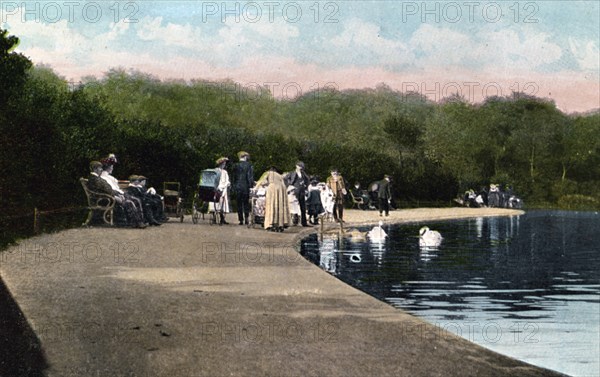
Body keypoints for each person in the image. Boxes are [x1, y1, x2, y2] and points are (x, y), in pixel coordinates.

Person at [87, 161, 145, 228]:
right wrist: (115, 196)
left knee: (134, 200)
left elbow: (108, 190)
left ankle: (138, 222)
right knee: (128, 202)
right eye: (100, 168)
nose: (101, 169)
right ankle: (134, 223)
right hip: (103, 199)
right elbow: (105, 191)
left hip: (107, 197)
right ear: (95, 169)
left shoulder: (97, 178)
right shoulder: (94, 179)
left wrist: (118, 194)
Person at [257, 166, 290, 232]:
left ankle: (271, 223)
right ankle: (280, 223)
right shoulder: (279, 175)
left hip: (273, 189)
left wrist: (257, 186)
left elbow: (263, 182)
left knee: (271, 206)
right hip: (282, 189)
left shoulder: (268, 173)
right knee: (280, 206)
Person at [286, 161, 311, 227]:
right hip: (295, 191)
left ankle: (304, 222)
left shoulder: (303, 174)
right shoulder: (292, 173)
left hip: (302, 191)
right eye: (300, 166)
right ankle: (295, 221)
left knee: (303, 207)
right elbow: (287, 179)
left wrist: (306, 186)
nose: (301, 168)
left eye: (302, 167)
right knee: (294, 207)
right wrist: (290, 185)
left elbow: (308, 180)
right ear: (296, 166)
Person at [233, 151, 254, 225]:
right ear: (245, 157)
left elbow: (234, 177)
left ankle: (241, 220)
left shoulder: (236, 165)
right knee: (246, 203)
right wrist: (251, 186)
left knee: (239, 203)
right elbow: (250, 177)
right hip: (245, 186)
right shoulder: (249, 165)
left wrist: (234, 186)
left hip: (238, 186)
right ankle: (246, 219)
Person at [209, 157, 231, 225]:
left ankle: (222, 217)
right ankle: (213, 217)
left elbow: (227, 180)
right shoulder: (215, 171)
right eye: (223, 164)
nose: (224, 165)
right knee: (214, 201)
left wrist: (226, 184)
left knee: (222, 201)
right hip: (216, 187)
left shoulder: (225, 172)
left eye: (224, 164)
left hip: (223, 187)